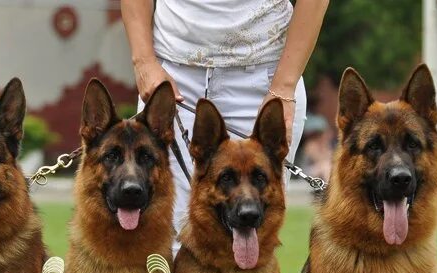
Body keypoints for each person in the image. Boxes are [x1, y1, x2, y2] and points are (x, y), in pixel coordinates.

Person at [122, 0, 329, 253]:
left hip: (267, 77)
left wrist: (284, 86)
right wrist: (144, 61)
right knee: (163, 250)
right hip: (173, 75)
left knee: (249, 234)